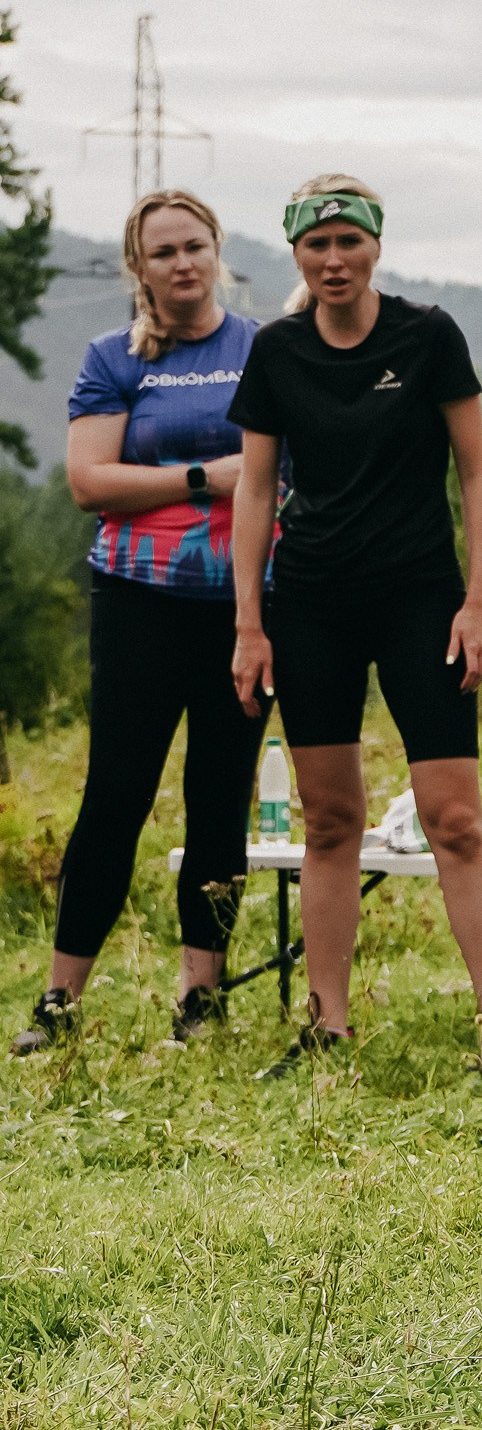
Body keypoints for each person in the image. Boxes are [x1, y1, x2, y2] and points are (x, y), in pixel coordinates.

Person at [224, 175, 482, 1079]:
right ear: (297, 256)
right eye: (315, 246)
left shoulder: (427, 336)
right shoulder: (276, 351)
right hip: (310, 601)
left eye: (347, 242)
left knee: (456, 817)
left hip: (419, 600)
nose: (333, 260)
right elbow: (253, 487)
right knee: (329, 820)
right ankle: (328, 1023)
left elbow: (477, 471)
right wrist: (248, 622)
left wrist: (478, 601)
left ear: (375, 246)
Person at [12, 192, 270, 1056]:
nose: (182, 264)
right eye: (162, 253)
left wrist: (175, 474)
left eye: (194, 246)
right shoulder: (112, 356)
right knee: (115, 797)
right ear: (139, 268)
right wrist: (211, 476)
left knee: (219, 800)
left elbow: (282, 473)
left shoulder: (259, 349)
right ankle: (58, 1000)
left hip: (242, 609)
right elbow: (91, 482)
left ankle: (202, 998)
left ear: (218, 251)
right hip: (137, 602)